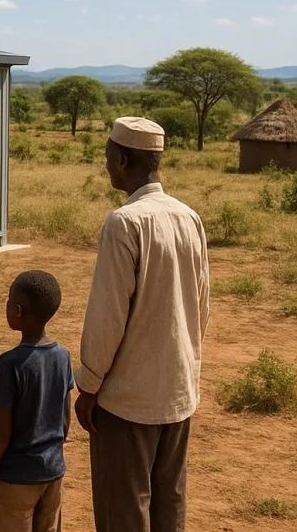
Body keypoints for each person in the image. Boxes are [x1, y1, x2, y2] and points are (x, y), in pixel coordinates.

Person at [74, 117, 210, 532]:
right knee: (170, 501)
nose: (106, 165)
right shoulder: (189, 217)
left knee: (125, 508)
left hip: (127, 401)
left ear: (122, 158)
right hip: (178, 391)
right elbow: (200, 307)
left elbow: (107, 317)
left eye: (108, 157)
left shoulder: (124, 222)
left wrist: (89, 385)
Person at [0, 270, 73, 532]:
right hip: (53, 473)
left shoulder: (10, 364)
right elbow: (65, 421)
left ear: (18, 311)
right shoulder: (62, 356)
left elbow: (1, 433)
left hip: (16, 481)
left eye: (8, 301)